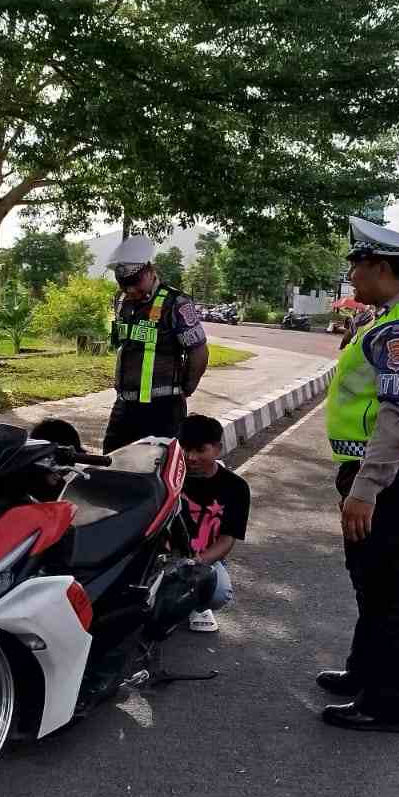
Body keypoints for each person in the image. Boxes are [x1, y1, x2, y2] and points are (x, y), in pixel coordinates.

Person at [318, 215, 399, 733]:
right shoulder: (394, 315)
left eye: (356, 265)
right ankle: (364, 674)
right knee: (370, 582)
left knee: (389, 592)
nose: (351, 274)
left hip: (392, 477)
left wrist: (366, 488)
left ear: (378, 267)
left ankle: (388, 705)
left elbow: (398, 414)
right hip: (390, 471)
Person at [102, 235, 209, 453]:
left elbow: (199, 352)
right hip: (125, 405)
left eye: (135, 281)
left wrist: (186, 389)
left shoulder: (176, 303)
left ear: (150, 271)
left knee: (158, 467)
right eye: (124, 283)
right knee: (111, 462)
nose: (130, 289)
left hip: (163, 409)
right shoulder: (122, 302)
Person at [176, 414, 250, 634]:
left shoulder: (236, 488)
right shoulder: (167, 476)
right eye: (186, 449)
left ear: (217, 449)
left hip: (201, 557)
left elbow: (227, 539)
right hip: (161, 556)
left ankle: (196, 605)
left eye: (200, 450)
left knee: (218, 594)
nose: (191, 457)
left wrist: (196, 563)